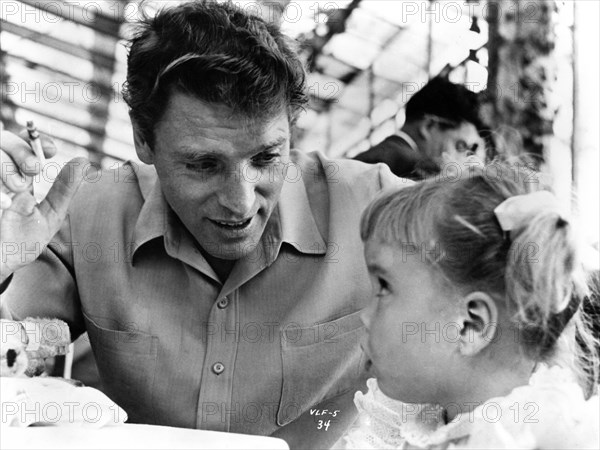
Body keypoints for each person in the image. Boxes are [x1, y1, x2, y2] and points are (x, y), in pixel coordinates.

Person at [0, 2, 407, 448]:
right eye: (203, 164)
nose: (240, 201)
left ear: (291, 127)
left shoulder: (375, 208)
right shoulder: (86, 217)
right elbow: (11, 356)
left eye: (267, 158)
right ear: (142, 137)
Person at [335, 163, 599, 448]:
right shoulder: (409, 421)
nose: (364, 316)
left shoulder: (541, 439)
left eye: (384, 287)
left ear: (469, 325)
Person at [353, 77, 488, 180]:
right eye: (460, 146)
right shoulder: (415, 169)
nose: (463, 159)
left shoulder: (377, 155)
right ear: (428, 126)